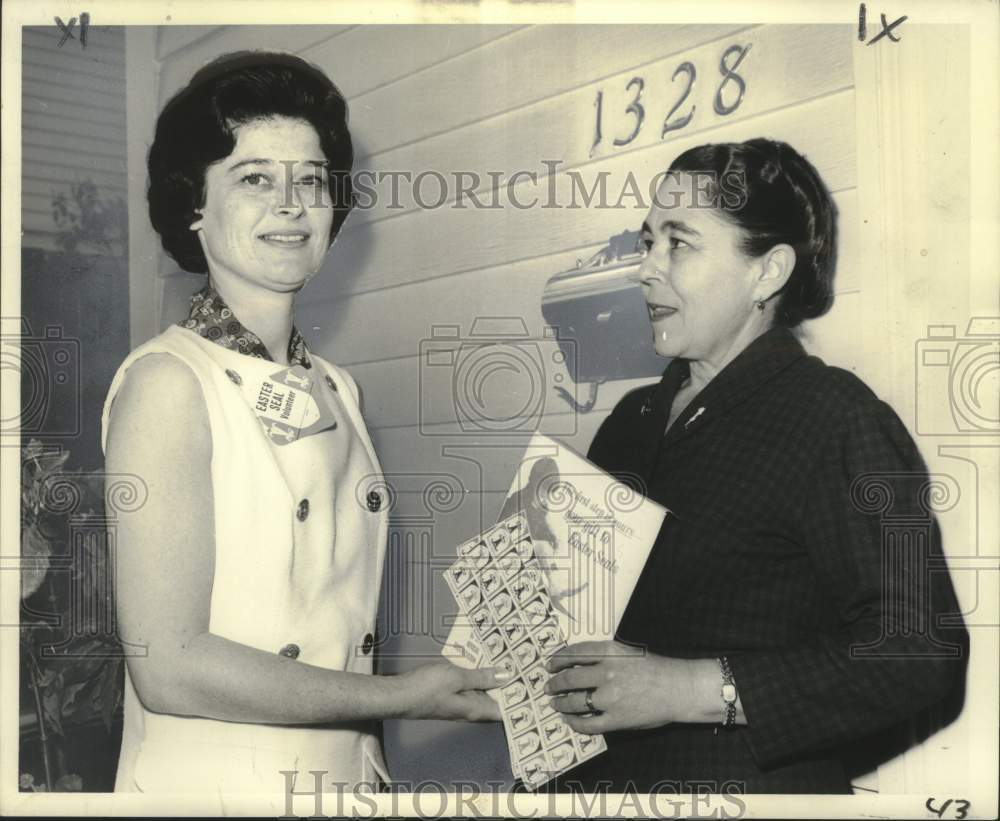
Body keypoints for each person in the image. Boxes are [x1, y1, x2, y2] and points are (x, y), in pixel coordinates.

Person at [102, 51, 507, 805]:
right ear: (194, 203)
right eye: (254, 177)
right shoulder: (168, 383)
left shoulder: (336, 388)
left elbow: (334, 622)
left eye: (311, 179)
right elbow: (170, 665)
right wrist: (404, 696)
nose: (291, 204)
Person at [542, 139, 968, 793]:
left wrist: (686, 687)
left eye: (678, 244)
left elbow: (918, 651)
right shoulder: (628, 422)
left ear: (767, 273)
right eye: (646, 241)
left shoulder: (834, 417)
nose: (645, 270)